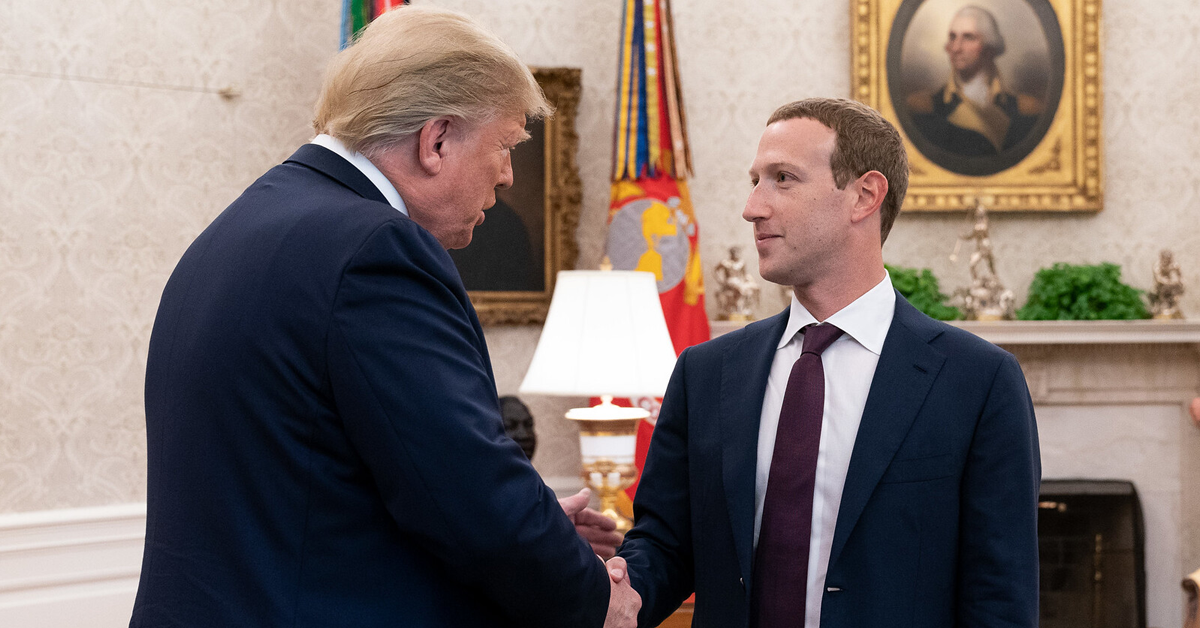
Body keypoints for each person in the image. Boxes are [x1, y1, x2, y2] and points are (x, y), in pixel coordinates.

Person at [129, 6, 636, 628]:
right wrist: (594, 599)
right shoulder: (376, 249)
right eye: (504, 146)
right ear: (437, 139)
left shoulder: (241, 226)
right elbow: (467, 498)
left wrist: (536, 523)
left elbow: (317, 478)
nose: (507, 176)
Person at [616, 98, 1040, 627]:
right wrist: (608, 588)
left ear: (865, 195)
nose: (752, 206)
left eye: (783, 179)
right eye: (755, 180)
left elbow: (1000, 598)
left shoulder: (978, 381)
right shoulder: (707, 372)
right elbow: (666, 546)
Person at [908, 5, 1042, 156]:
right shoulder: (925, 109)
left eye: (968, 37)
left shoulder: (1024, 110)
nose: (956, 47)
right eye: (953, 37)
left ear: (988, 48)